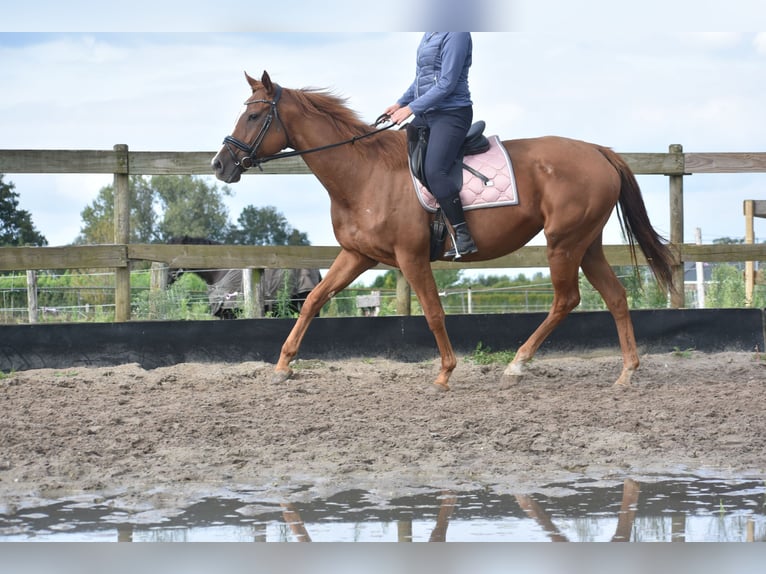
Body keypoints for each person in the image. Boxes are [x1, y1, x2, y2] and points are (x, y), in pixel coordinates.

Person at [384, 32, 478, 259]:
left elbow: (447, 83)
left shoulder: (458, 34)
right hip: (428, 113)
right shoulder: (430, 33)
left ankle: (463, 235)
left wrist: (411, 109)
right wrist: (400, 103)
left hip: (452, 113)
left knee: (434, 171)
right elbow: (422, 79)